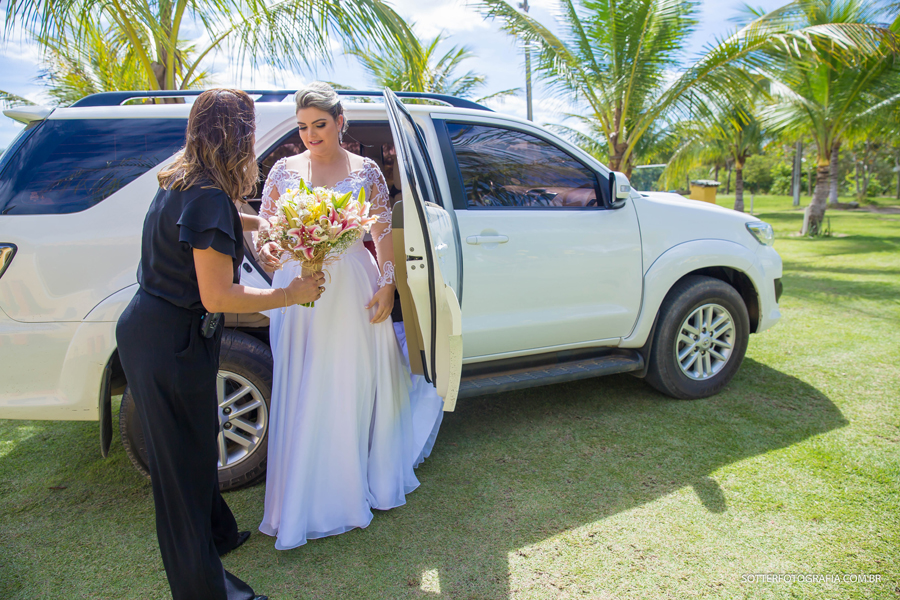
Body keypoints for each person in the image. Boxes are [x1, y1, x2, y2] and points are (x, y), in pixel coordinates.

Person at [116, 88, 325, 600]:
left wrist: (272, 221)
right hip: (171, 338)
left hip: (164, 331)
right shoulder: (206, 192)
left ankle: (220, 535)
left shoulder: (185, 177)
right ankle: (205, 591)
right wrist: (289, 294)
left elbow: (220, 221)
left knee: (199, 437)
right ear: (236, 135)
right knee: (181, 471)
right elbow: (217, 295)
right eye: (250, 131)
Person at [256, 82, 444, 550]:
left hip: (354, 286)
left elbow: (382, 233)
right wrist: (274, 253)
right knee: (305, 379)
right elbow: (265, 231)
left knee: (351, 380)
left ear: (341, 122)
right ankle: (305, 487)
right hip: (299, 291)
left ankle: (356, 477)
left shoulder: (366, 170)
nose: (310, 135)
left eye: (319, 125)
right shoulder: (283, 169)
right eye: (302, 128)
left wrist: (387, 284)